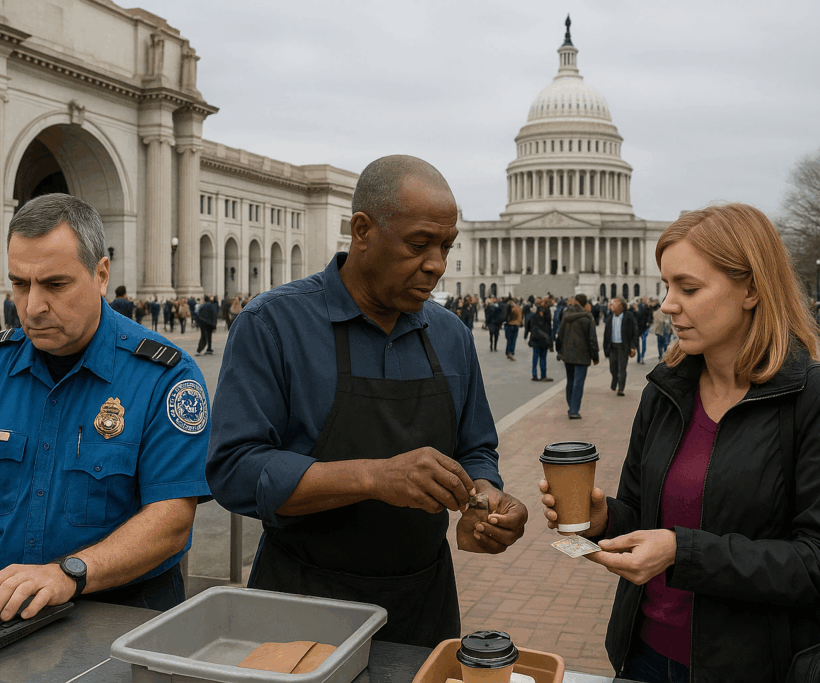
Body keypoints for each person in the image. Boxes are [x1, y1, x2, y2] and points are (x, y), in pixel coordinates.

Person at [539, 203, 820, 682]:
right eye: (667, 286)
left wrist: (682, 552)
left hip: (758, 667)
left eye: (689, 288)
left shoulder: (818, 399)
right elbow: (640, 511)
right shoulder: (667, 389)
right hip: (645, 654)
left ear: (752, 289)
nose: (669, 304)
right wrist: (603, 519)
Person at [206, 155, 528, 648]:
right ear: (362, 230)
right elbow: (234, 470)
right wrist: (376, 477)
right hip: (300, 606)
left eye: (446, 246)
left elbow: (476, 448)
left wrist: (486, 499)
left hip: (424, 604)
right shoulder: (273, 325)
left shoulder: (451, 336)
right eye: (419, 244)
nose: (438, 265)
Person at [0, 193, 211, 621]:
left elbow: (172, 519)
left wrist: (68, 573)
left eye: (55, 284)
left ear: (101, 274)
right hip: (5, 605)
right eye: (19, 284)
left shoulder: (164, 376)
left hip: (124, 611)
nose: (32, 307)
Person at [554, 294, 598, 419]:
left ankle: (571, 406)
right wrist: (595, 356)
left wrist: (559, 350)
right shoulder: (588, 317)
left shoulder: (566, 315)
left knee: (571, 381)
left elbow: (560, 334)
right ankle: (574, 409)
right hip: (582, 356)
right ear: (585, 304)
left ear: (575, 301)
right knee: (578, 383)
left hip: (568, 354)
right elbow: (592, 339)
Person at [603, 297, 637, 396]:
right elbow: (606, 334)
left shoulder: (629, 316)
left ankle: (621, 388)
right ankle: (615, 380)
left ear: (621, 306)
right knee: (613, 368)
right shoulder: (610, 318)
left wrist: (633, 347)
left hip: (623, 346)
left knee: (622, 368)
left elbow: (634, 332)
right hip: (612, 347)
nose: (611, 305)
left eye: (614, 303)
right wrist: (605, 348)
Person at [527, 299, 553, 381]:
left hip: (543, 341)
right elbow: (533, 328)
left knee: (542, 358)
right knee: (536, 358)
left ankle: (543, 375)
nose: (542, 313)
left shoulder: (546, 318)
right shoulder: (535, 317)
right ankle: (535, 375)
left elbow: (548, 327)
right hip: (537, 340)